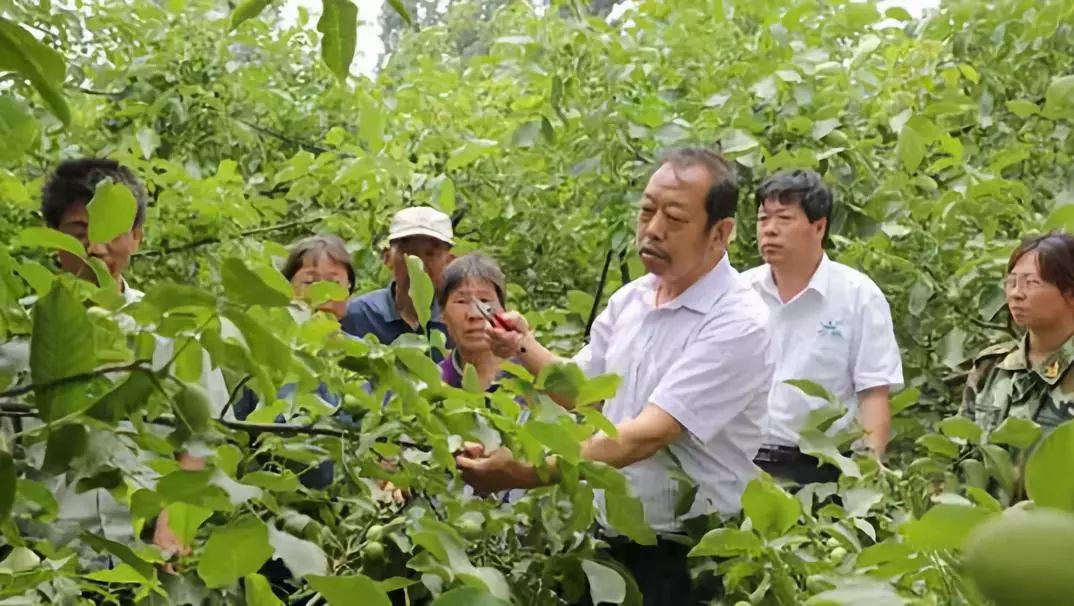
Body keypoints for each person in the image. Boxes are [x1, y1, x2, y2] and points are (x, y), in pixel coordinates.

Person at [454, 147, 774, 605]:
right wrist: (523, 347)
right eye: (647, 211)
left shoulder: (738, 321)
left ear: (720, 233)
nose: (653, 229)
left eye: (675, 219)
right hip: (608, 545)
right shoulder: (633, 301)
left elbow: (642, 437)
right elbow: (586, 393)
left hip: (688, 555)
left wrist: (523, 473)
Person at [0, 158, 230, 569]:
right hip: (49, 561)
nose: (97, 247)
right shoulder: (17, 337)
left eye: (112, 232)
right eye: (80, 232)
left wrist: (173, 522)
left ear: (138, 237)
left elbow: (202, 436)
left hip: (150, 555)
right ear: (54, 239)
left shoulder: (174, 333)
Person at [742, 169, 903, 485]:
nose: (770, 230)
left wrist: (867, 476)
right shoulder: (738, 293)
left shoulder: (858, 296)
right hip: (741, 463)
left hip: (821, 469)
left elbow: (873, 393)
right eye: (763, 220)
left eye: (784, 219)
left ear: (818, 226)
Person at [962, 231, 1074, 434]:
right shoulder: (991, 366)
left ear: (1070, 293)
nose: (1016, 294)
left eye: (1031, 283)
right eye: (1011, 282)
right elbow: (959, 449)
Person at [342, 206, 455, 355]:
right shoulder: (358, 315)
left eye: (431, 253)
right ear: (387, 258)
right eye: (407, 252)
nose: (418, 262)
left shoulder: (457, 321)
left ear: (449, 262)